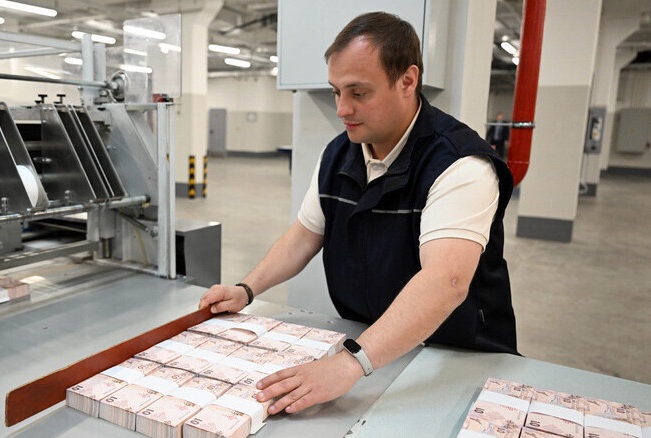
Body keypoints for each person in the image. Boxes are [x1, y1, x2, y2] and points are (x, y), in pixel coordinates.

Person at [199, 12, 517, 416]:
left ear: (408, 80)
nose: (342, 108)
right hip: (373, 345)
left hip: (457, 356)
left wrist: (349, 364)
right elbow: (304, 235)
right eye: (336, 92)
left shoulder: (459, 163)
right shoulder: (338, 154)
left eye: (358, 93)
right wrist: (247, 289)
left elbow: (446, 282)